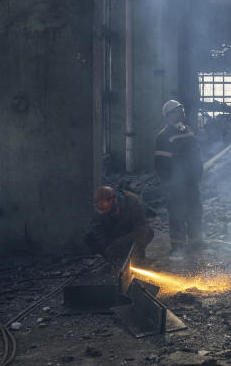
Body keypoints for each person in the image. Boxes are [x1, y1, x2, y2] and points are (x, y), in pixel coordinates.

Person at [154, 100, 204, 254]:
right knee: (177, 214)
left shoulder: (188, 130)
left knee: (195, 211)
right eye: (178, 110)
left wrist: (199, 172)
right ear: (169, 115)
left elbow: (196, 154)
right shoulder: (164, 137)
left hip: (191, 181)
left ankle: (195, 243)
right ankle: (178, 247)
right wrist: (169, 184)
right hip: (175, 184)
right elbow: (161, 164)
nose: (182, 111)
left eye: (182, 109)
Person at [84, 185, 154, 266]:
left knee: (148, 232)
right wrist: (109, 248)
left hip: (131, 230)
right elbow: (97, 228)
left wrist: (120, 242)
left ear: (114, 200)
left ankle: (138, 257)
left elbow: (142, 228)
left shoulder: (133, 202)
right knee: (89, 238)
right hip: (117, 231)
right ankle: (116, 262)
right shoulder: (101, 208)